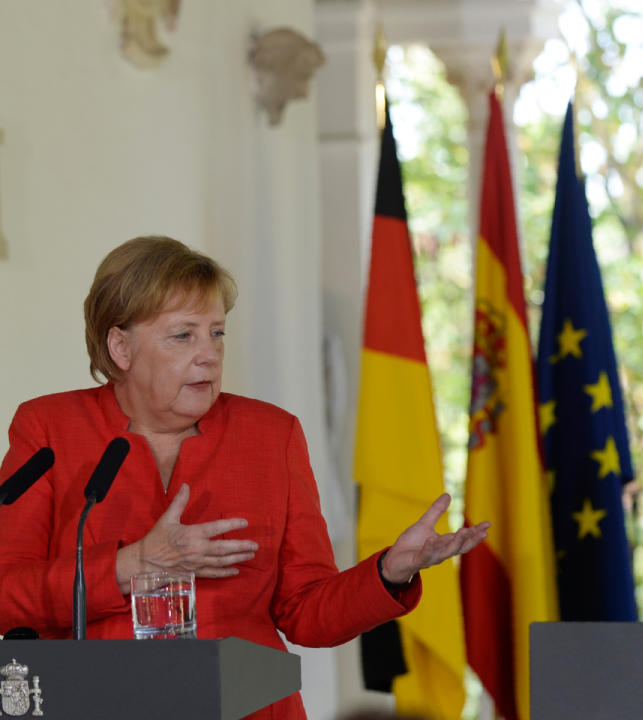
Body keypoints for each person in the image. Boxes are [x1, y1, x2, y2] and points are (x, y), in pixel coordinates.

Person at [0, 236, 489, 719]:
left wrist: (389, 571)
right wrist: (136, 563)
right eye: (183, 335)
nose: (210, 354)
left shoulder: (270, 435)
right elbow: (7, 595)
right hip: (96, 704)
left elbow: (305, 613)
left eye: (217, 332)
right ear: (120, 346)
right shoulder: (49, 430)